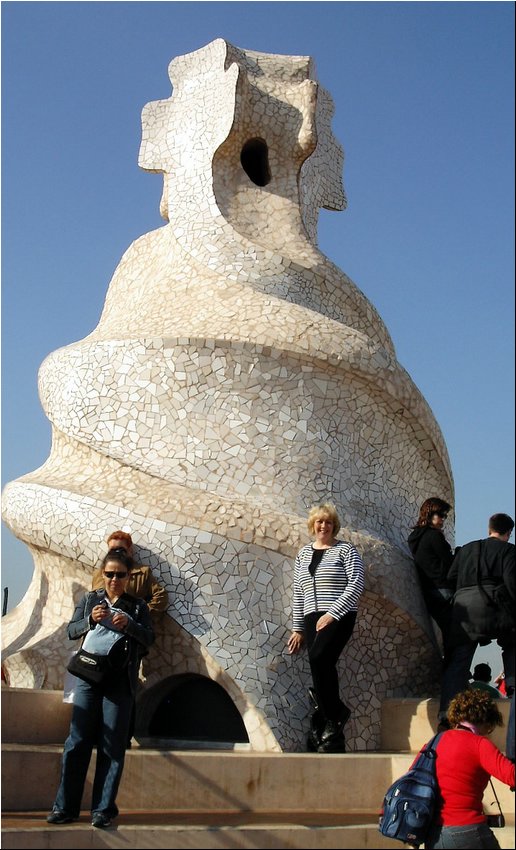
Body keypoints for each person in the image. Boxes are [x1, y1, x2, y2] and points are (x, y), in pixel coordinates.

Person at [47, 550, 155, 829]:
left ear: (129, 577)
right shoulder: (90, 599)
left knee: (112, 745)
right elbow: (72, 631)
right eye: (109, 574)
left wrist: (129, 626)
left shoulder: (137, 607)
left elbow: (148, 639)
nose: (114, 580)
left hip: (119, 682)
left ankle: (103, 809)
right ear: (102, 574)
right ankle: (65, 807)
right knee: (78, 740)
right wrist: (90, 620)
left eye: (120, 575)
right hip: (88, 677)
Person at [287, 503, 364, 752]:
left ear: (334, 526)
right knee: (318, 664)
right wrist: (298, 628)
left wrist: (332, 614)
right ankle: (328, 719)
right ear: (313, 525)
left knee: (320, 657)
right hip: (312, 616)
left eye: (328, 522)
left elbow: (356, 584)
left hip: (339, 615)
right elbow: (299, 592)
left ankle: (335, 713)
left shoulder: (345, 551)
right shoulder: (304, 554)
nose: (324, 526)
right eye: (319, 522)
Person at [438, 513, 515, 730]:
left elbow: (451, 577)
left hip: (465, 610)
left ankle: (446, 715)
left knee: (459, 660)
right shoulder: (509, 551)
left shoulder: (468, 549)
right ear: (509, 532)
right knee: (511, 644)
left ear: (489, 528)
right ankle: (512, 686)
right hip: (495, 609)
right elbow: (512, 582)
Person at [424, 689, 515, 849]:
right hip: (467, 831)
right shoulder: (479, 745)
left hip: (433, 835)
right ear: (486, 720)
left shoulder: (434, 743)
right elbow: (512, 776)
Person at [407, 498, 454, 654]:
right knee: (455, 636)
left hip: (428, 590)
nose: (442, 519)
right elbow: (449, 563)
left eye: (444, 516)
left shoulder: (415, 537)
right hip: (443, 589)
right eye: (440, 515)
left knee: (448, 633)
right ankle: (452, 674)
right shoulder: (434, 536)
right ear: (429, 513)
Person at [91, 530, 168, 615]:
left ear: (130, 551)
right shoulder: (99, 573)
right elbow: (92, 600)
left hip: (128, 625)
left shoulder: (142, 573)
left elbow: (161, 596)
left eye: (121, 550)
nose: (117, 553)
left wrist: (139, 616)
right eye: (113, 550)